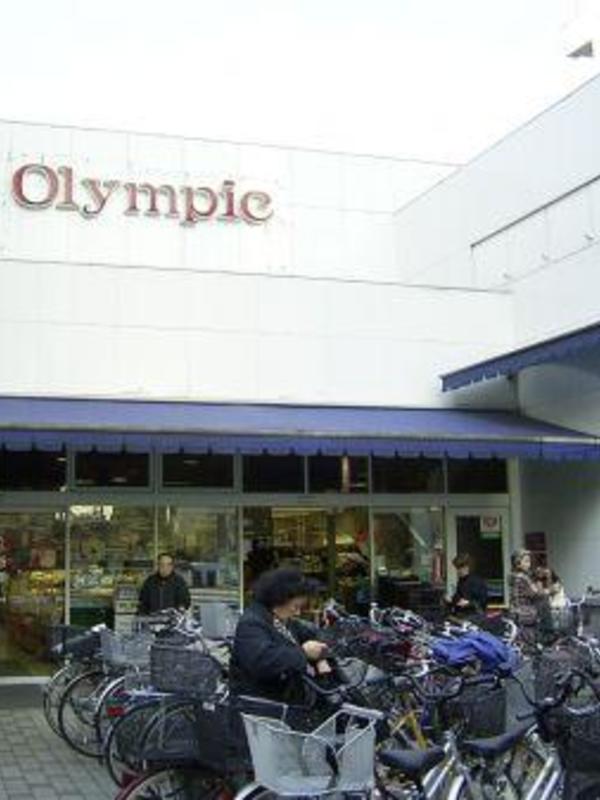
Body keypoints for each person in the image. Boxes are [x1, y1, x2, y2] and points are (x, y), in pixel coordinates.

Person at [229, 567, 329, 702]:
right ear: (278, 600)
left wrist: (321, 656)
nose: (298, 613)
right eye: (295, 606)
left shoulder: (282, 619)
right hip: (261, 702)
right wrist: (303, 653)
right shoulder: (251, 624)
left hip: (285, 695)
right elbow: (264, 661)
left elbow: (314, 634)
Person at [508, 548, 548, 644]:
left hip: (515, 612)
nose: (529, 564)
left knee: (519, 640)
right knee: (529, 640)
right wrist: (547, 589)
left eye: (529, 561)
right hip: (526, 613)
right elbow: (537, 593)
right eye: (526, 561)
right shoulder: (523, 577)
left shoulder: (513, 576)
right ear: (518, 563)